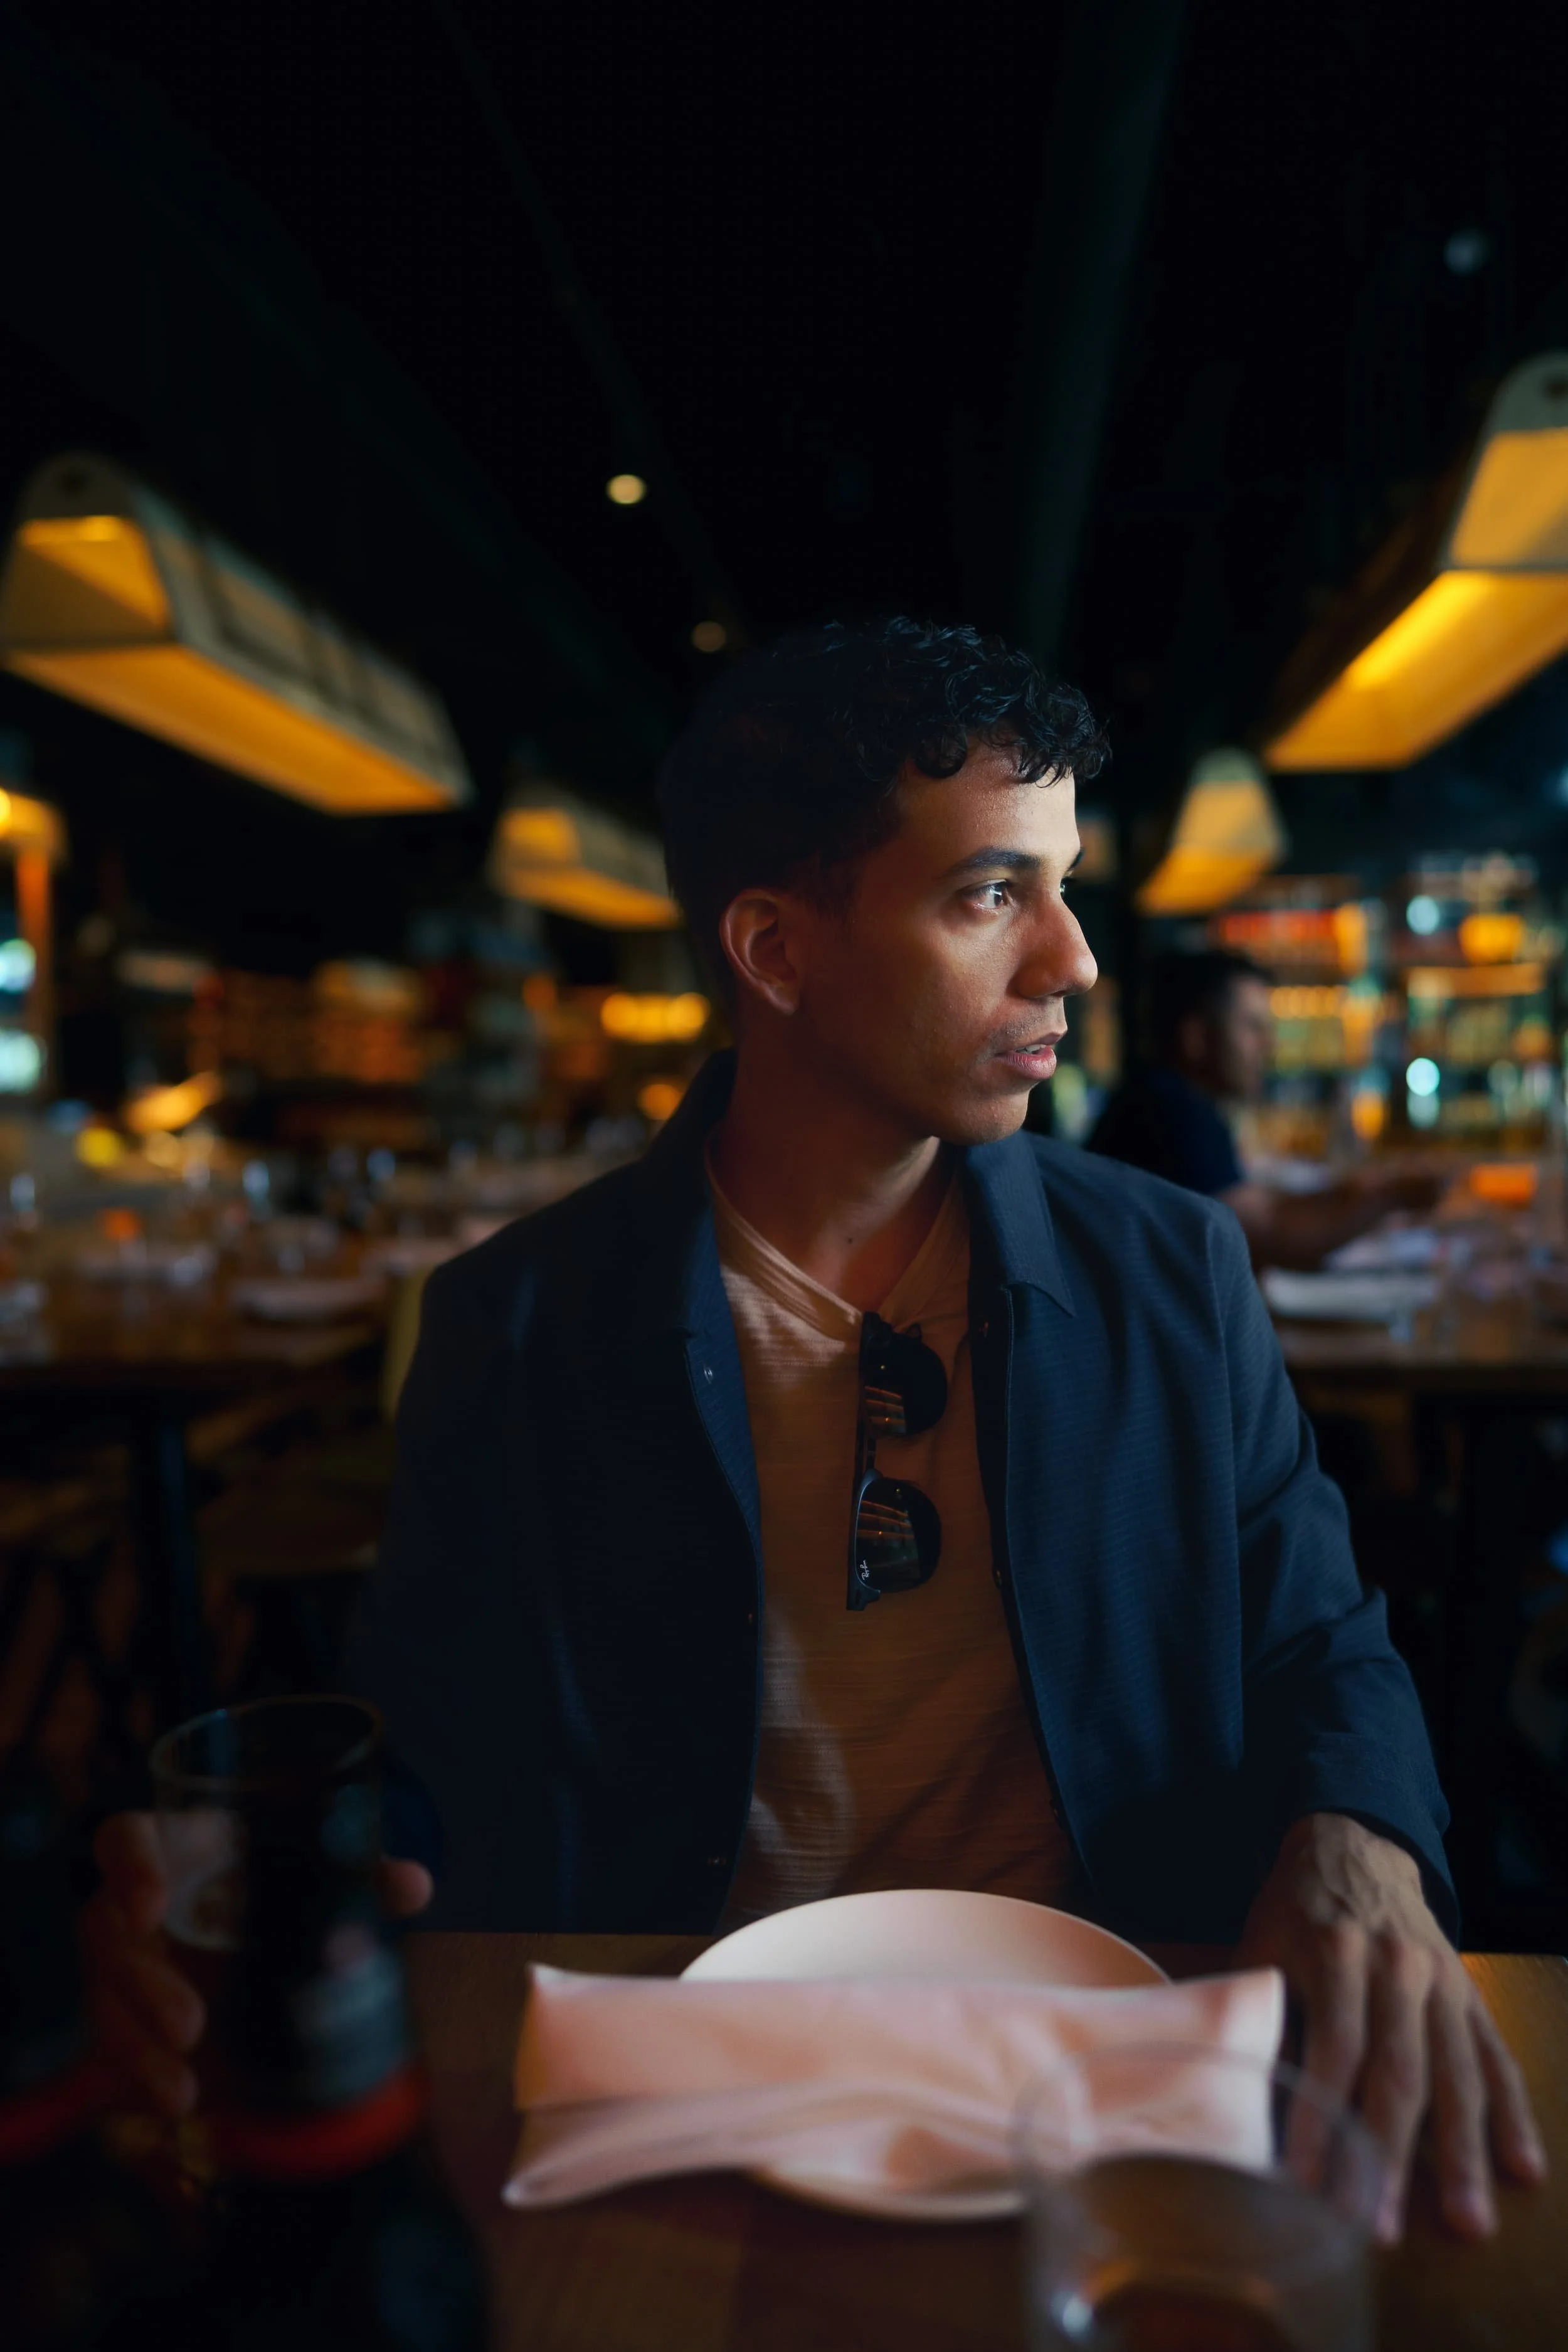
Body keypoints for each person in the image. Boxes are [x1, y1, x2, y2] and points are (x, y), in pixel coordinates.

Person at [85, 620, 1540, 2243]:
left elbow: (1322, 1641)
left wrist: (1358, 1838)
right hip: (685, 2075)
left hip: (1111, 2039)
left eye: (1060, 886)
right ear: (773, 950)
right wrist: (280, 1877)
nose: (1072, 958)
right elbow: (431, 1755)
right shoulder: (518, 1318)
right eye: (992, 893)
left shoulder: (1169, 1267)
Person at [1088, 948, 1446, 1266]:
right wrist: (1392, 1194)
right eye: (1252, 1027)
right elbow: (1268, 1233)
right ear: (1195, 1037)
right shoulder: (1172, 1110)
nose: (1268, 1045)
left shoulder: (1163, 1096)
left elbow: (1266, 1210)